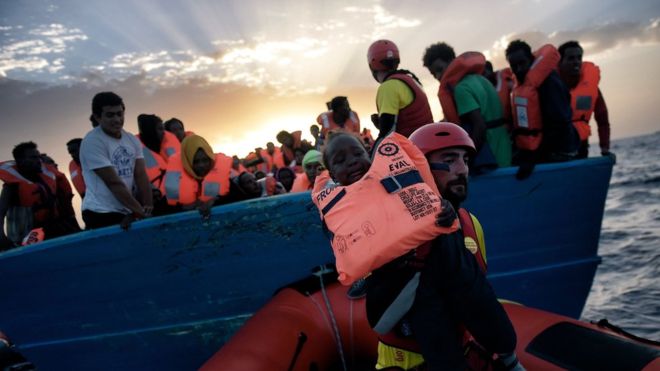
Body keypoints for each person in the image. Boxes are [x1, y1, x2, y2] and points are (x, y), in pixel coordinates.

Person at [321, 132, 521, 370]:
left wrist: (440, 209)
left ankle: (507, 354)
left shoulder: (468, 225)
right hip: (405, 329)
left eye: (357, 153)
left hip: (460, 326)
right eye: (449, 160)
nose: (461, 170)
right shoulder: (338, 214)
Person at [422, 42, 511, 171]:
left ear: (451, 62)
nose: (438, 77)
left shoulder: (461, 89)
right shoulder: (480, 79)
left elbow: (479, 126)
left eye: (440, 69)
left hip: (492, 157)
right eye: (433, 74)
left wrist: (466, 160)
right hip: (505, 150)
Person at [506, 40, 579, 179]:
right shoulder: (523, 85)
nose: (519, 69)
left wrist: (533, 158)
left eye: (522, 63)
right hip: (541, 148)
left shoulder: (549, 82)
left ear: (531, 59)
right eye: (514, 66)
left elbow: (560, 125)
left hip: (561, 149)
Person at [80, 92, 153, 230]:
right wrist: (140, 212)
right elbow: (113, 183)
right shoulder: (92, 142)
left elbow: (141, 175)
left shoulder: (131, 140)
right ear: (97, 117)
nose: (117, 119)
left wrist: (148, 207)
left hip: (127, 209)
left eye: (120, 114)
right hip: (100, 212)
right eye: (110, 115)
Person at [1, 142, 81, 250]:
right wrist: (2, 238)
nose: (38, 160)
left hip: (52, 230)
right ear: (20, 161)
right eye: (33, 157)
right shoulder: (11, 186)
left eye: (38, 157)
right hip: (27, 239)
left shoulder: (48, 179)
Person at [367, 39, 434, 140]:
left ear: (372, 65)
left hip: (411, 150)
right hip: (427, 144)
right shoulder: (411, 80)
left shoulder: (388, 87)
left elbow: (387, 135)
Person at [558, 40, 613, 159]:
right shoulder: (551, 87)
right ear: (560, 62)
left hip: (581, 146)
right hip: (555, 149)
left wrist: (605, 148)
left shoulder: (591, 88)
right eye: (571, 58)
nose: (576, 62)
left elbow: (602, 118)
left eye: (579, 58)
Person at [161, 135, 232, 219]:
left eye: (205, 160)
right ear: (187, 161)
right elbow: (161, 209)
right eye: (195, 161)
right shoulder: (173, 181)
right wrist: (183, 207)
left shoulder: (227, 180)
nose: (201, 165)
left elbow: (239, 197)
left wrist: (216, 200)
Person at [484, 61, 515, 132]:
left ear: (491, 70)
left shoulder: (507, 81)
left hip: (511, 125)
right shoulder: (482, 88)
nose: (483, 77)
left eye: (484, 73)